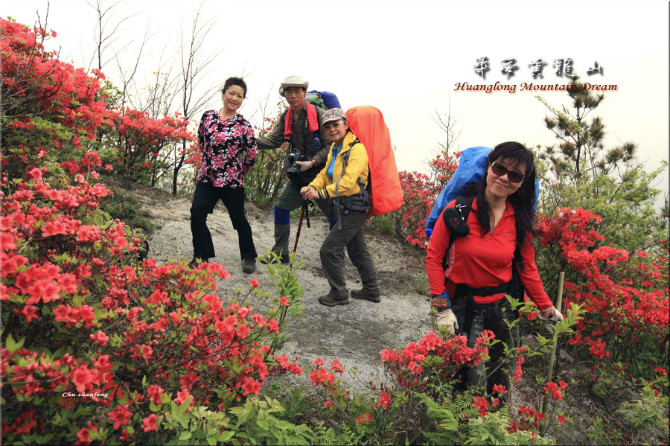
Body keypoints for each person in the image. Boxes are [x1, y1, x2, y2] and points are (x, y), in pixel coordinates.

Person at [425, 142, 562, 395]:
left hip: (502, 308)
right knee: (458, 372)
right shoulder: (459, 210)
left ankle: (493, 422)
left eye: (515, 175)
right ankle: (452, 425)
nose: (504, 178)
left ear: (522, 183)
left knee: (499, 373)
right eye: (500, 168)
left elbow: (526, 267)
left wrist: (545, 307)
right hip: (461, 304)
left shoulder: (519, 219)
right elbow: (433, 257)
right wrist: (442, 308)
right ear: (489, 167)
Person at [300, 108, 381, 306]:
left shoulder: (356, 149)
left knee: (329, 249)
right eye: (327, 126)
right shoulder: (336, 148)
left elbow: (349, 182)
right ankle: (372, 291)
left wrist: (321, 193)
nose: (332, 129)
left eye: (336, 124)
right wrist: (312, 186)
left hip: (354, 207)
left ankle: (339, 293)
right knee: (357, 249)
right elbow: (325, 175)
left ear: (345, 124)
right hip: (345, 206)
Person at [255, 75, 331, 263]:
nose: (294, 95)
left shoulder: (320, 114)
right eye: (289, 91)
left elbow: (331, 146)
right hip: (299, 176)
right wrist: (249, 141)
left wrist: (313, 162)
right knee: (281, 208)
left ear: (304, 92)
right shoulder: (287, 117)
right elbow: (275, 140)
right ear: (285, 95)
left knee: (334, 216)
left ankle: (336, 254)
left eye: (298, 91)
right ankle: (280, 253)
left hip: (321, 176)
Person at [190, 77, 258, 274]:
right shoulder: (208, 117)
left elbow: (252, 154)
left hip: (232, 181)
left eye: (240, 96)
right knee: (197, 213)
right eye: (232, 93)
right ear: (223, 94)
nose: (235, 98)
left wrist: (238, 171)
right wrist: (211, 163)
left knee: (238, 219)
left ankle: (249, 256)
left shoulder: (243, 125)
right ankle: (201, 255)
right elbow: (202, 141)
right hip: (207, 178)